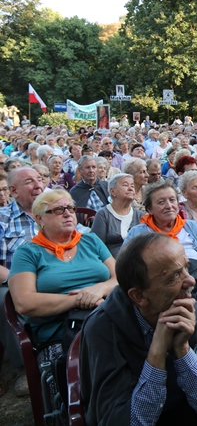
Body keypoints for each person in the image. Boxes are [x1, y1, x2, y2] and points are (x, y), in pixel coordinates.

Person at [81, 233, 197, 426]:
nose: (191, 280)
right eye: (175, 276)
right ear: (139, 296)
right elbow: (117, 419)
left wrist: (183, 350)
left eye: (187, 267)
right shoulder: (103, 329)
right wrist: (156, 355)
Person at [8, 189, 116, 368]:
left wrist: (98, 290)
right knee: (90, 366)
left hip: (107, 317)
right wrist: (79, 299)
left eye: (70, 208)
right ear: (40, 219)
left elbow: (120, 277)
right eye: (59, 210)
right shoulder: (27, 253)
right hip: (59, 333)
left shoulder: (91, 241)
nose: (67, 214)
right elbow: (24, 303)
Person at [124, 180, 197, 288]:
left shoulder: (192, 226)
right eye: (161, 202)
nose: (169, 206)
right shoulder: (138, 232)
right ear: (149, 209)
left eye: (172, 200)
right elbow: (126, 264)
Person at [0, 168, 43, 395]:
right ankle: (25, 367)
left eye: (40, 179)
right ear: (14, 191)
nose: (38, 185)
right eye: (29, 181)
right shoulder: (3, 218)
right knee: (4, 300)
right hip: (12, 280)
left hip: (55, 273)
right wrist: (20, 281)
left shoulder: (53, 209)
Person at [91, 173, 144, 257]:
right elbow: (97, 246)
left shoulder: (140, 215)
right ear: (113, 191)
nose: (130, 189)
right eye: (125, 185)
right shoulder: (103, 214)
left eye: (132, 186)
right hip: (111, 261)